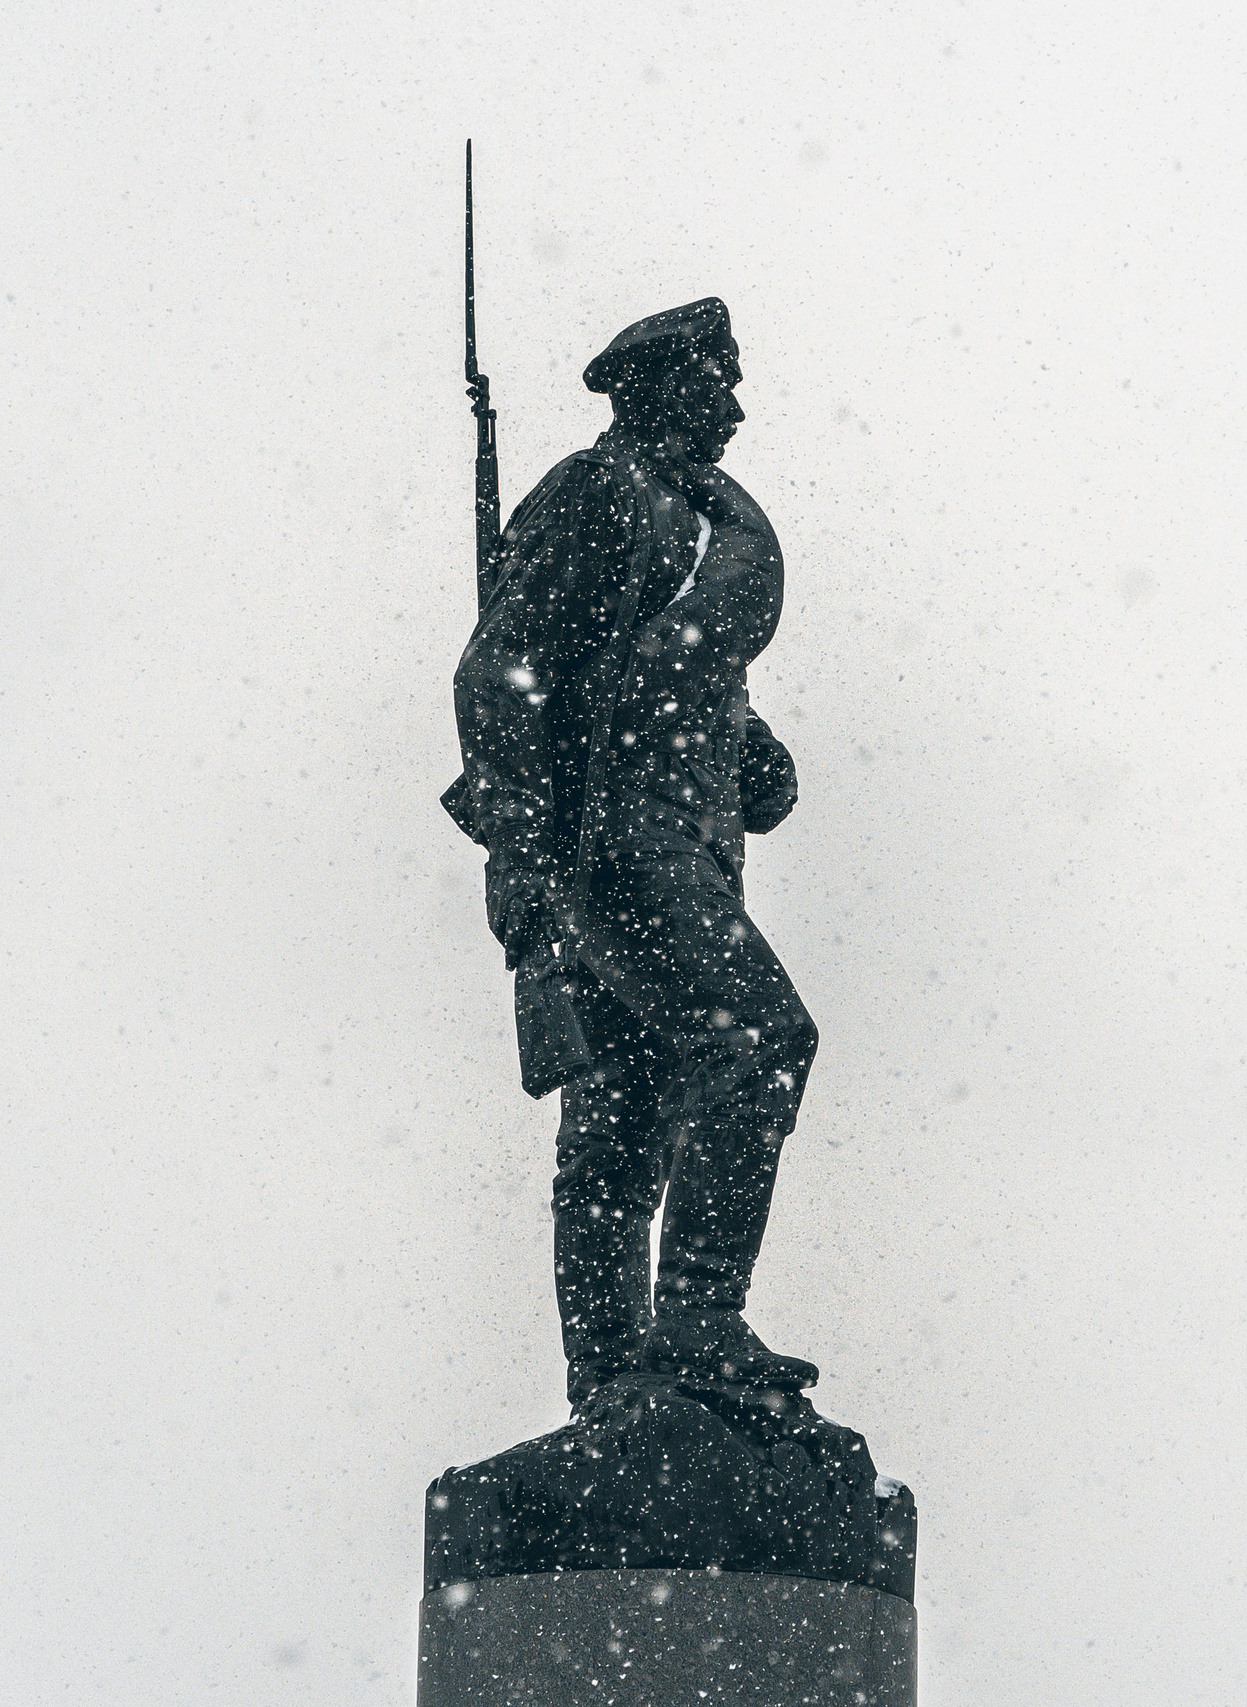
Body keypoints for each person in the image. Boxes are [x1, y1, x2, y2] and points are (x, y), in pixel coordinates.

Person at [442, 298, 819, 1408]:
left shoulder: (681, 514)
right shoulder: (603, 489)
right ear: (657, 384)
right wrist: (527, 853)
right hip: (613, 845)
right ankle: (699, 1319)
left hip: (670, 846)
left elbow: (658, 675)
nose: (738, 406)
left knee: (621, 1130)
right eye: (721, 378)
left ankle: (613, 1386)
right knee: (758, 1039)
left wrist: (751, 753)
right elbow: (500, 670)